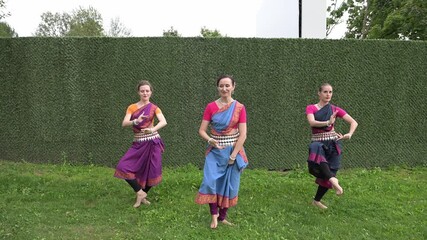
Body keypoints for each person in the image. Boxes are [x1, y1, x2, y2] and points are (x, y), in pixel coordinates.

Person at [195, 75, 249, 229]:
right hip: (215, 151)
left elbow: (243, 134)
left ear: (233, 86)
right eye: (221, 86)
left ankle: (222, 217)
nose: (224, 89)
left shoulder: (239, 107)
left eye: (227, 85)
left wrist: (233, 156)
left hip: (233, 150)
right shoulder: (211, 106)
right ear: (217, 87)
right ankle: (214, 216)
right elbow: (202, 130)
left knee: (230, 185)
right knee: (211, 181)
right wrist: (210, 140)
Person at [114, 80, 167, 208]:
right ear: (138, 92)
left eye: (147, 91)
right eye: (142, 91)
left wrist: (152, 129)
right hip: (138, 143)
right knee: (123, 166)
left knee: (152, 170)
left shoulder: (154, 108)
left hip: (153, 142)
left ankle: (142, 196)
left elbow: (163, 121)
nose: (145, 93)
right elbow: (124, 123)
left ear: (151, 92)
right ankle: (140, 192)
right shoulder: (132, 107)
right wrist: (135, 121)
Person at [306, 83, 358, 209]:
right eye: (325, 92)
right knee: (317, 153)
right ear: (319, 93)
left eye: (330, 92)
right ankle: (333, 181)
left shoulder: (335, 109)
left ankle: (317, 201)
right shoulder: (311, 108)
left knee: (331, 169)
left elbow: (353, 122)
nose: (328, 94)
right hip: (318, 142)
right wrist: (327, 122)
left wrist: (349, 134)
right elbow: (312, 122)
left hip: (333, 142)